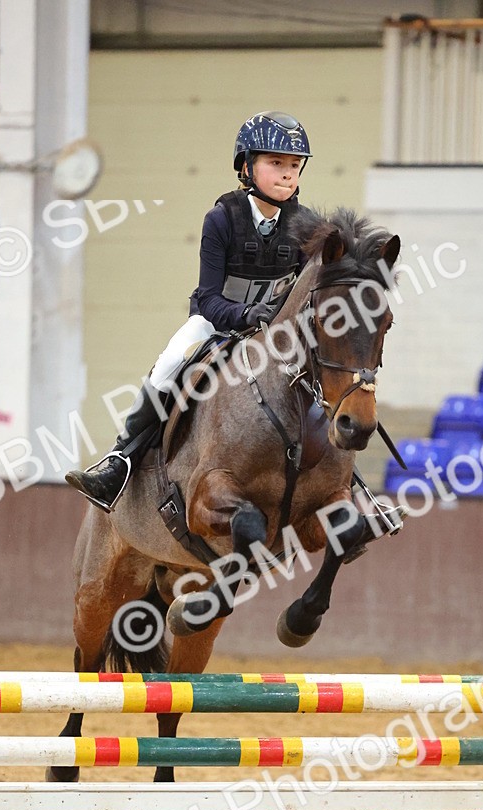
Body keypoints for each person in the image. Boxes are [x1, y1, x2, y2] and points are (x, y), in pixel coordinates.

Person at [66, 110, 314, 511]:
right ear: (247, 167)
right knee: (168, 364)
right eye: (276, 163)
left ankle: (352, 484)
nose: (288, 174)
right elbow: (210, 298)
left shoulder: (306, 226)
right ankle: (119, 462)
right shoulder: (221, 219)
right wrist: (249, 316)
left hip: (272, 333)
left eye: (294, 166)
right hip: (215, 324)